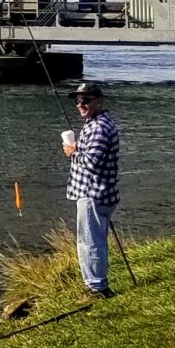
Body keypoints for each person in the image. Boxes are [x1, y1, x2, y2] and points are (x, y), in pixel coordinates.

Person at [64, 81, 121, 295]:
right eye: (78, 101)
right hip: (102, 193)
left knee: (90, 242)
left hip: (92, 194)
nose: (80, 105)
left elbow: (92, 162)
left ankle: (97, 287)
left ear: (98, 101)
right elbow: (95, 153)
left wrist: (72, 153)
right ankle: (97, 283)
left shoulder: (98, 127)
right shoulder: (97, 122)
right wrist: (79, 147)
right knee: (95, 239)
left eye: (85, 100)